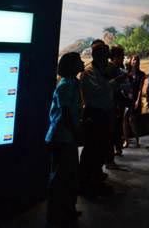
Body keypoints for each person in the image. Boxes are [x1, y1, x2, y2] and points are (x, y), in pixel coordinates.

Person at [46, 52, 84, 225]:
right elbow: (66, 113)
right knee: (60, 177)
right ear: (71, 65)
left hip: (67, 137)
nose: (83, 62)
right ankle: (55, 215)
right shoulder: (66, 85)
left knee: (68, 175)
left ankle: (67, 210)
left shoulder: (73, 83)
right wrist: (77, 133)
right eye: (79, 61)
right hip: (61, 137)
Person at [79, 42, 113, 196]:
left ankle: (95, 181)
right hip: (94, 115)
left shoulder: (100, 70)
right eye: (106, 55)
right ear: (99, 56)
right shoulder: (89, 72)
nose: (108, 58)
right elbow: (95, 92)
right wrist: (113, 82)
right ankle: (85, 184)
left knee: (100, 150)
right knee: (91, 150)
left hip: (103, 114)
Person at [107, 45, 128, 165]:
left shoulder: (118, 69)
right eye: (121, 56)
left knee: (116, 126)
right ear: (115, 57)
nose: (122, 59)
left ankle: (117, 149)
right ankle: (110, 159)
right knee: (111, 129)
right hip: (110, 103)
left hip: (116, 102)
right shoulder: (109, 69)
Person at [123, 54, 145, 148]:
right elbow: (123, 86)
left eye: (136, 60)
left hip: (135, 99)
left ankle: (137, 140)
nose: (135, 61)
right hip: (126, 99)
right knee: (124, 120)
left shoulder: (141, 74)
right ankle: (126, 141)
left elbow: (140, 89)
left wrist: (137, 100)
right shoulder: (127, 73)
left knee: (132, 120)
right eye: (133, 60)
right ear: (130, 61)